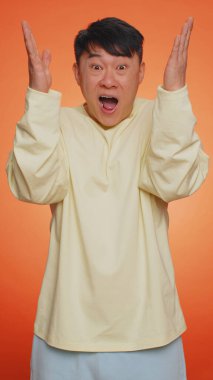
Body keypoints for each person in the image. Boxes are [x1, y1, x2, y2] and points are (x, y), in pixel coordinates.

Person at [6, 16, 209, 380]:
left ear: (141, 71)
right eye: (96, 66)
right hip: (65, 333)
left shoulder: (160, 117)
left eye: (121, 66)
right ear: (77, 72)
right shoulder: (57, 123)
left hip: (150, 334)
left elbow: (175, 181)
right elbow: (33, 186)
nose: (109, 79)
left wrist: (175, 93)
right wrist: (37, 98)